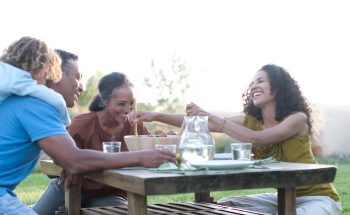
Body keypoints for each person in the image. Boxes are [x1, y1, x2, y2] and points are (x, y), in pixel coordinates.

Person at [132, 64, 342, 215]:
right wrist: (156, 115)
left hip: (317, 198)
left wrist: (211, 115)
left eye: (260, 81)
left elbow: (256, 139)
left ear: (277, 88)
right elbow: (207, 124)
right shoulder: (250, 119)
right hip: (283, 196)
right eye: (251, 83)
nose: (253, 87)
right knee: (224, 205)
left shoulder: (297, 118)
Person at [0, 37, 175, 215]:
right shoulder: (34, 106)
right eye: (77, 77)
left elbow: (70, 159)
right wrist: (140, 156)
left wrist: (74, 163)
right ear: (54, 73)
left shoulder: (26, 103)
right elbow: (74, 160)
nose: (82, 87)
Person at [33, 72, 150, 214]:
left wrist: (163, 139)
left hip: (110, 193)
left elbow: (149, 150)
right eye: (121, 104)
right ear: (104, 101)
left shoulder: (135, 127)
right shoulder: (82, 124)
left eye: (131, 103)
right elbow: (59, 155)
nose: (127, 109)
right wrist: (70, 165)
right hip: (71, 187)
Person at [0, 37, 70, 125]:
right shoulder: (19, 80)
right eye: (45, 75)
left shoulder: (6, 72)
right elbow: (56, 99)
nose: (44, 82)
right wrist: (66, 120)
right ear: (39, 68)